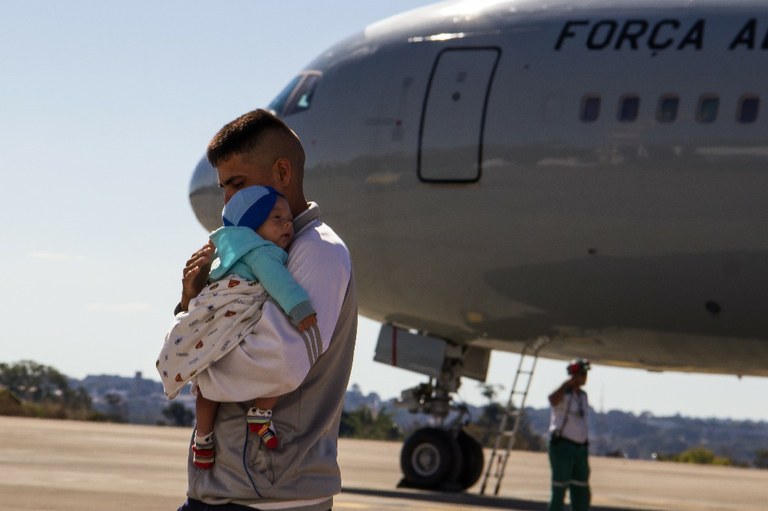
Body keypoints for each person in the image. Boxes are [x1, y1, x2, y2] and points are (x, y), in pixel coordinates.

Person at [176, 109, 357, 511]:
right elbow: (189, 348)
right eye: (224, 188)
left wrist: (196, 367)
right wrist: (192, 300)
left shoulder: (318, 252)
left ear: (282, 173)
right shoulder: (262, 253)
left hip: (268, 495)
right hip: (232, 490)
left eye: (237, 184)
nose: (228, 202)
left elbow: (275, 365)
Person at [157, 185, 318, 467]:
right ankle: (261, 412)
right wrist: (299, 309)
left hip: (215, 320)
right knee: (282, 365)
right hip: (236, 317)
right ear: (252, 226)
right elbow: (280, 283)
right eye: (276, 219)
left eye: (288, 218)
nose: (288, 224)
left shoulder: (229, 254)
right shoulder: (262, 252)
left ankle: (203, 439)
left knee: (206, 388)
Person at [547, 358, 592, 511]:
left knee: (581, 489)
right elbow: (552, 400)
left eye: (585, 374)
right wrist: (567, 384)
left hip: (580, 449)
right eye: (581, 374)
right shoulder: (563, 393)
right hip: (563, 447)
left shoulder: (583, 396)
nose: (585, 377)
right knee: (559, 488)